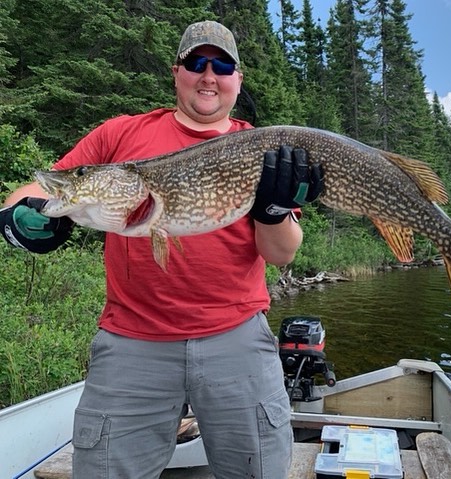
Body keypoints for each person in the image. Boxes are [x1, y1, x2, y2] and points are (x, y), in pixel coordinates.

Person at [0, 20, 323, 478]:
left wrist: (272, 211)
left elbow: (282, 254)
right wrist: (19, 215)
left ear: (237, 79)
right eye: (197, 63)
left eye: (222, 65)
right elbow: (32, 190)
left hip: (237, 338)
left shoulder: (263, 148)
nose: (208, 75)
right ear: (177, 73)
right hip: (132, 342)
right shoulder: (121, 135)